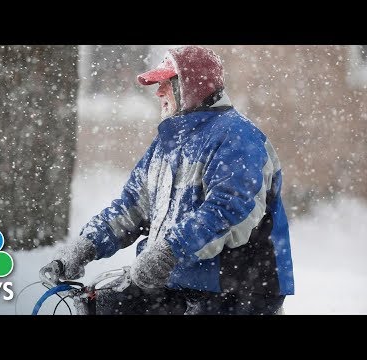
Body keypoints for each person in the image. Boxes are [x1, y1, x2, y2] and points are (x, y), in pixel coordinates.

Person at [40, 45, 295, 315]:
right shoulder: (166, 144)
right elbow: (132, 208)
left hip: (238, 289)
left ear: (191, 86)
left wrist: (169, 251)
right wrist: (85, 247)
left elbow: (229, 211)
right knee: (101, 307)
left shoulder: (237, 136)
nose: (158, 91)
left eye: (166, 83)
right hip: (180, 282)